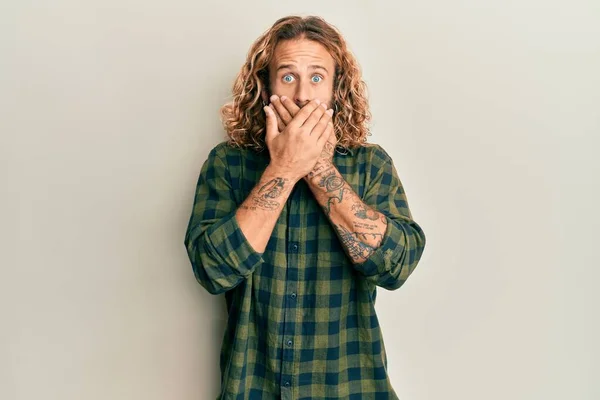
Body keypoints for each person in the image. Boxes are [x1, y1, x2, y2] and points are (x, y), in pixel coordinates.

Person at [184, 15, 427, 400]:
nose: (301, 95)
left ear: (335, 91)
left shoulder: (371, 165)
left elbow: (395, 265)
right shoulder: (227, 164)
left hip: (353, 389)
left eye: (316, 78)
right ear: (264, 88)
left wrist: (317, 168)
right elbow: (214, 271)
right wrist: (284, 167)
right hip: (253, 389)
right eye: (287, 76)